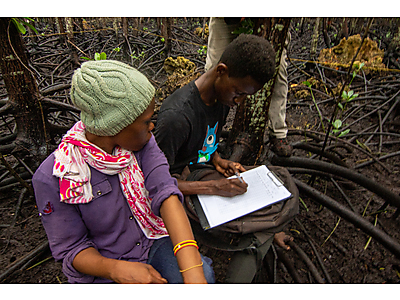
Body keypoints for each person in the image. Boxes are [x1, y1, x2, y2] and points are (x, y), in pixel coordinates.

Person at [32, 60, 214, 284]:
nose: (152, 127)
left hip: (151, 239)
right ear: (115, 126)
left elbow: (165, 192)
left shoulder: (143, 143)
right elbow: (72, 249)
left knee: (204, 274)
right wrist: (116, 269)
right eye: (146, 121)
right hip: (105, 262)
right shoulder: (57, 176)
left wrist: (193, 270)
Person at [154, 34, 295, 283]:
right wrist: (214, 187)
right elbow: (155, 186)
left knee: (280, 183)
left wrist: (218, 160)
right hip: (178, 196)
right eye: (238, 93)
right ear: (221, 71)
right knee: (251, 227)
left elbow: (205, 143)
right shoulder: (176, 118)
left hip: (201, 175)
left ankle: (263, 231)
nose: (239, 102)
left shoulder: (220, 97)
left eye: (245, 96)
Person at [205, 17, 293, 157]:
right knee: (215, 69)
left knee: (276, 71)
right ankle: (209, 130)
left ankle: (278, 132)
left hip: (271, 20)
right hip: (225, 18)